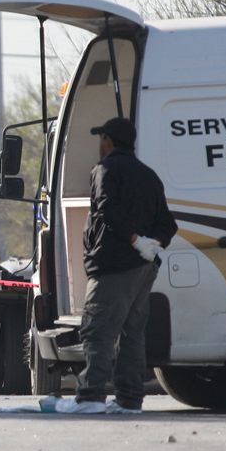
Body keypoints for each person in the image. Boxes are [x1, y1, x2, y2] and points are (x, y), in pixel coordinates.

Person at [54, 117, 177, 414]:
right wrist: (152, 244)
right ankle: (130, 399)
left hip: (113, 265)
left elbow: (107, 210)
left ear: (109, 141)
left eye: (101, 138)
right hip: (143, 267)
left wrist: (135, 239)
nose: (100, 144)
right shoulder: (149, 175)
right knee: (132, 334)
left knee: (98, 331)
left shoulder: (105, 169)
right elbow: (168, 224)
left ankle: (91, 397)